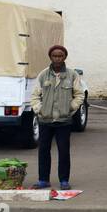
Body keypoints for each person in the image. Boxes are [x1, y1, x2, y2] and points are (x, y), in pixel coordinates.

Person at [29, 44, 86, 190]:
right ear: (50, 57)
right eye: (55, 56)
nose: (57, 58)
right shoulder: (43, 75)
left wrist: (71, 107)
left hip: (64, 121)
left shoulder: (72, 75)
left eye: (60, 56)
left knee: (63, 151)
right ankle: (43, 179)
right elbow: (35, 95)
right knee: (43, 151)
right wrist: (39, 110)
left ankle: (64, 180)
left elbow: (79, 95)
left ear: (65, 57)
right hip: (45, 120)